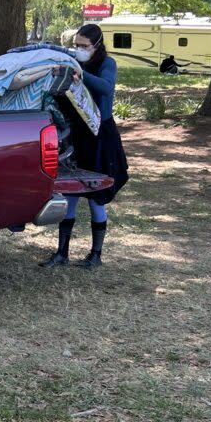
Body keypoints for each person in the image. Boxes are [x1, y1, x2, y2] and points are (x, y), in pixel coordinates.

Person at [40, 24, 128, 270]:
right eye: (76, 45)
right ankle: (61, 253)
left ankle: (95, 255)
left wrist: (79, 71)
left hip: (101, 136)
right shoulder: (76, 63)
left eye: (84, 46)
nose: (79, 50)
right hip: (77, 135)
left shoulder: (106, 63)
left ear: (97, 45)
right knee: (69, 193)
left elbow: (106, 87)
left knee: (95, 197)